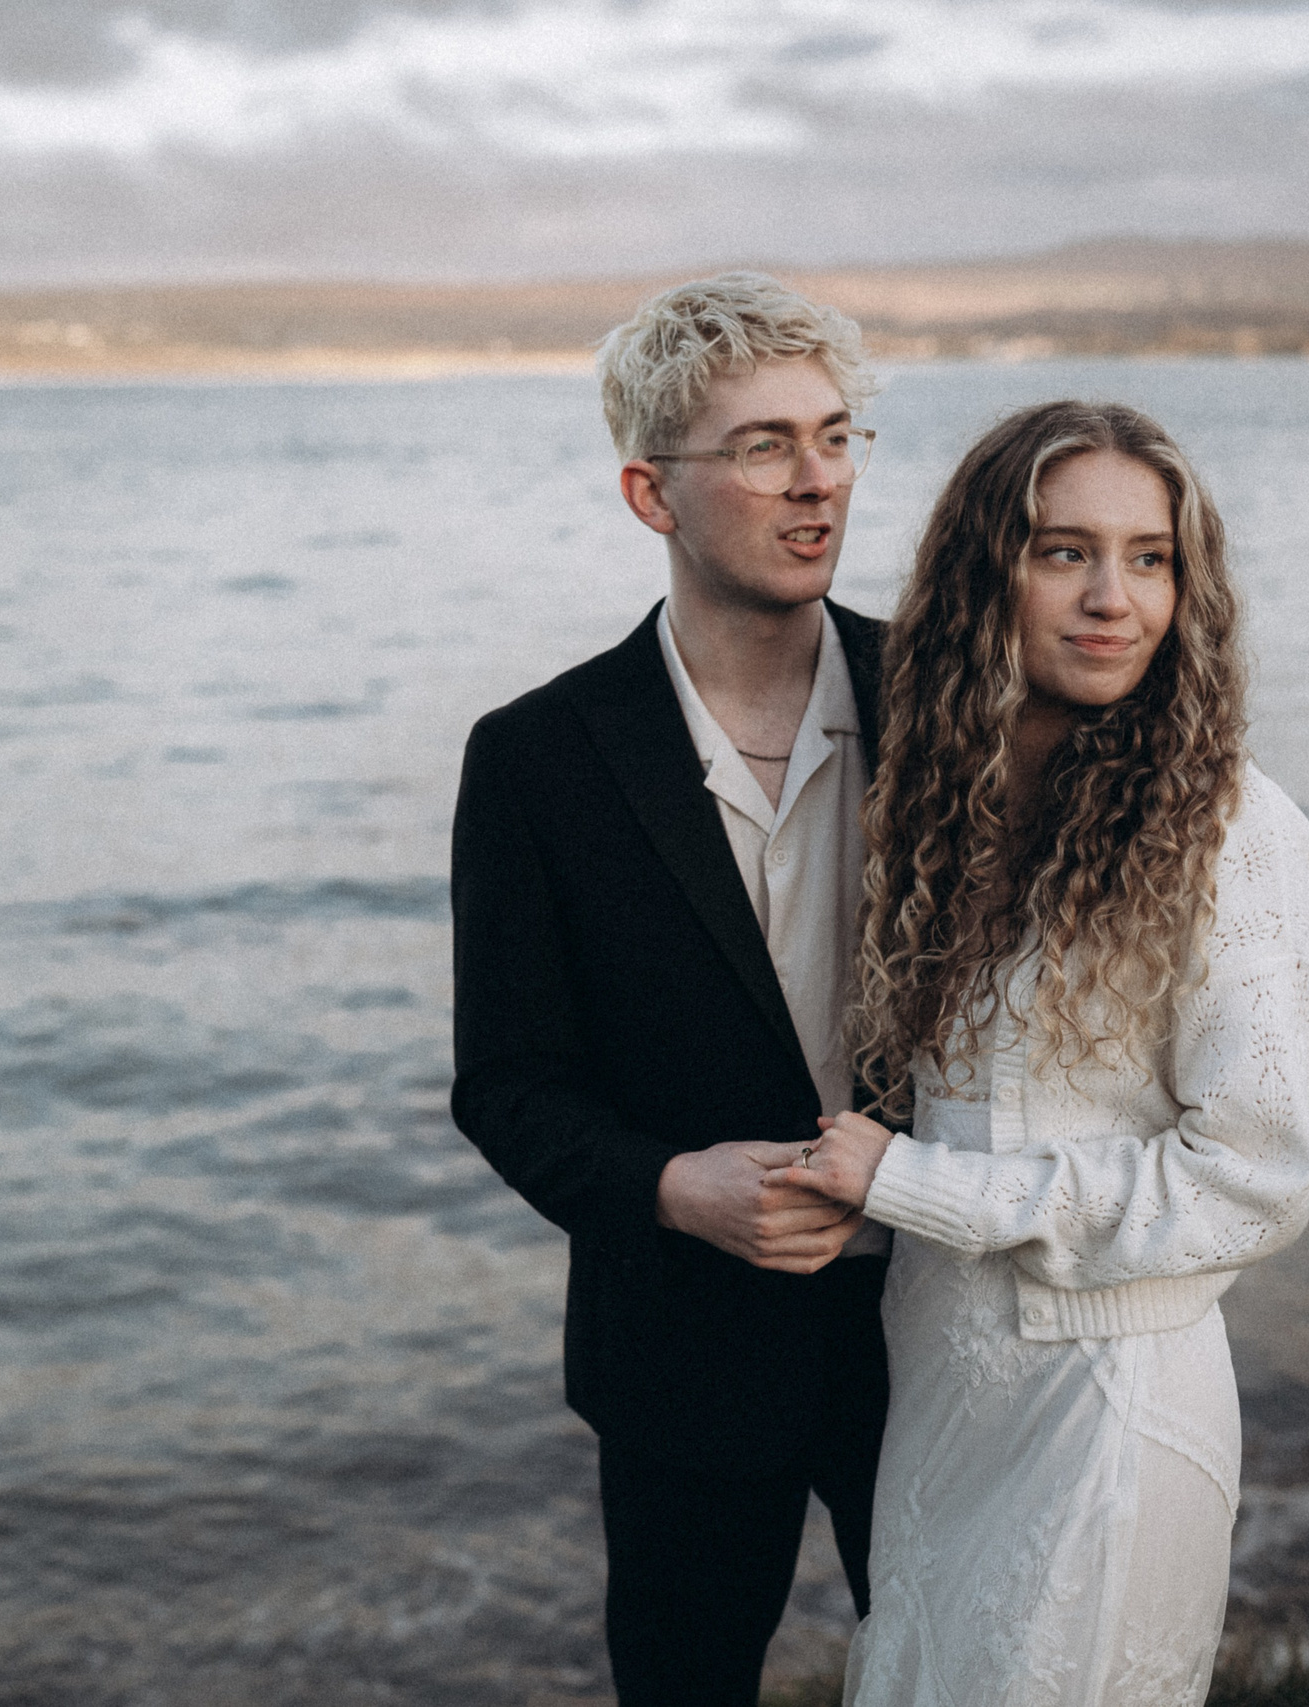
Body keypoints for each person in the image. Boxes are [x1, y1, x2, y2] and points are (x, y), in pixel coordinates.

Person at [772, 400, 1309, 1705]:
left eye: (1151, 558)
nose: (1114, 599)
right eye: (1062, 551)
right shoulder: (939, 804)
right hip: (944, 1404)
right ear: (987, 573)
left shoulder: (1228, 833)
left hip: (1110, 1417)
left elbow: (1253, 1179)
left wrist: (911, 1183)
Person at [449, 274, 894, 1706]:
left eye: (836, 435)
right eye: (763, 447)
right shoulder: (537, 759)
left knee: (969, 1672)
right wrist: (668, 1187)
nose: (818, 480)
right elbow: (507, 1087)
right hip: (685, 1352)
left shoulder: (949, 696)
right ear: (653, 493)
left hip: (946, 1324)